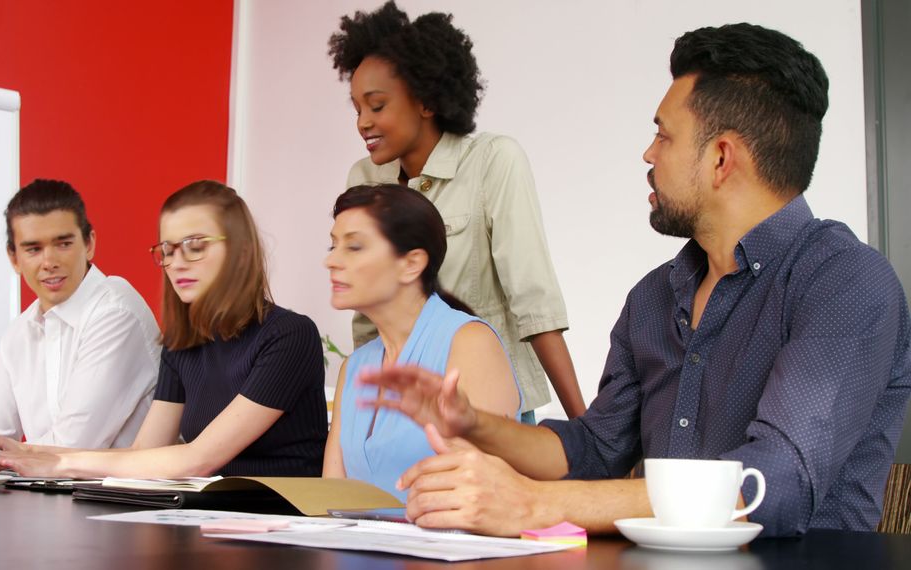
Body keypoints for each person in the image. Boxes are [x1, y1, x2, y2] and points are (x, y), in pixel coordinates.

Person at [358, 23, 911, 537]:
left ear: (722, 158)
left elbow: (773, 487)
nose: (648, 153)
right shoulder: (653, 297)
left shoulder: (846, 283)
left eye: (663, 136)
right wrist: (473, 423)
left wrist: (537, 503)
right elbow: (596, 449)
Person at [328, 1, 585, 421]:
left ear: (426, 101)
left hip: (483, 407)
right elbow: (367, 323)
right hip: (400, 407)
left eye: (376, 106)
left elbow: (534, 302)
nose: (362, 122)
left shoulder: (492, 162)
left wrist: (585, 430)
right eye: (357, 108)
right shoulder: (364, 178)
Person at [0, 180, 328, 478]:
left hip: (282, 522)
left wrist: (59, 464)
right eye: (167, 250)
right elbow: (144, 455)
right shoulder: (181, 345)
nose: (177, 262)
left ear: (241, 251)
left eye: (195, 246)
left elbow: (198, 459)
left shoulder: (289, 336)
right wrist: (27, 453)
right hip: (213, 519)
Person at [322, 184, 521, 500]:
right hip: (359, 546)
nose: (331, 261)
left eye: (354, 247)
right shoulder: (355, 366)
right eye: (332, 246)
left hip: (448, 547)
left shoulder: (470, 342)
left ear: (412, 263)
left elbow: (483, 494)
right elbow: (330, 499)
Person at [0, 179, 160, 449]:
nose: (49, 262)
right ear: (14, 258)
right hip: (55, 488)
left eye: (63, 244)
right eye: (33, 249)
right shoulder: (20, 331)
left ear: (89, 243)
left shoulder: (115, 311)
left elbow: (73, 446)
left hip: (123, 491)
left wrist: (0, 454)